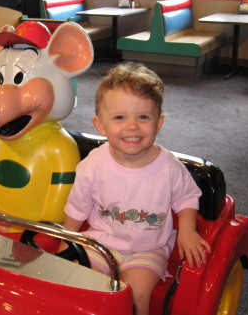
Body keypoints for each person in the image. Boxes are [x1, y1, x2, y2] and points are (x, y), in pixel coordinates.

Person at [62, 62, 211, 315]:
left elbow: (187, 198)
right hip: (101, 241)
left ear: (159, 123)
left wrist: (187, 230)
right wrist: (65, 239)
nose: (132, 126)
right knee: (81, 279)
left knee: (135, 293)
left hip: (148, 248)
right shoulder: (93, 165)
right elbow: (77, 207)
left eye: (143, 117)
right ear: (100, 125)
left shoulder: (168, 166)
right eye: (120, 117)